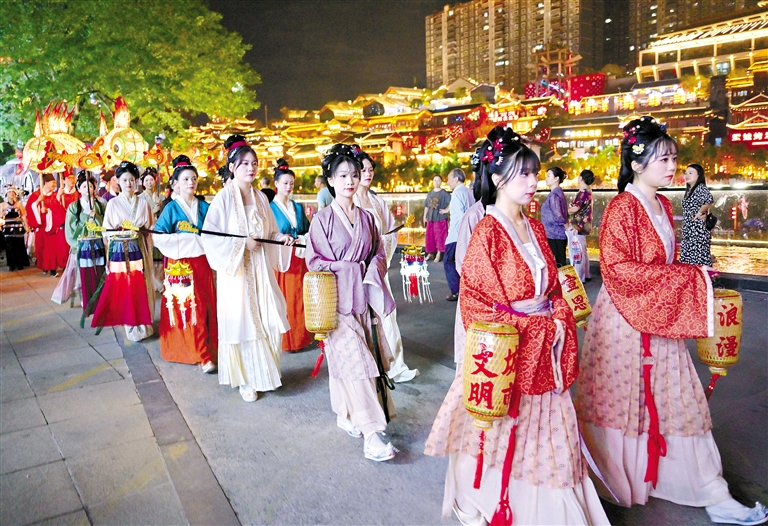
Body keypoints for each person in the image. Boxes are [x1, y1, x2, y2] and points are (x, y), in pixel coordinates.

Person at [574, 116, 768, 526]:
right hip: (624, 320)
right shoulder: (623, 208)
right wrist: (686, 278)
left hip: (657, 312)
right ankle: (619, 476)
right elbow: (617, 269)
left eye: (674, 158)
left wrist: (689, 275)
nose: (672, 166)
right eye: (663, 159)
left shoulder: (662, 204)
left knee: (679, 398)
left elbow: (663, 264)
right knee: (623, 397)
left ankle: (709, 490)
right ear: (637, 163)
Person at [425, 126, 609, 526]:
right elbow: (478, 305)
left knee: (543, 433)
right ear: (496, 178)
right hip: (509, 352)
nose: (532, 182)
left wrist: (557, 315)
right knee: (500, 429)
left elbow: (554, 288)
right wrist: (540, 327)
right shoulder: (487, 233)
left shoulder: (536, 227)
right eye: (522, 174)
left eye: (534, 173)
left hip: (546, 345)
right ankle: (489, 498)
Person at [306, 143, 398, 462]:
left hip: (363, 299)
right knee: (356, 363)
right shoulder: (321, 220)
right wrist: (345, 268)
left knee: (350, 361)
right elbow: (314, 261)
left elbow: (378, 253)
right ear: (331, 180)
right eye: (342, 175)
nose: (350, 181)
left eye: (354, 175)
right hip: (336, 301)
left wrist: (370, 270)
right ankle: (372, 435)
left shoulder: (368, 218)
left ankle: (345, 413)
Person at [201, 135, 294, 403]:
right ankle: (245, 379)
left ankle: (265, 375)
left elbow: (271, 231)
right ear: (232, 167)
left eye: (254, 163)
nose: (251, 168)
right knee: (242, 323)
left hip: (261, 271)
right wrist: (242, 244)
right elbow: (210, 237)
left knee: (267, 318)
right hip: (237, 275)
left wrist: (280, 238)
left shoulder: (261, 198)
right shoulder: (223, 198)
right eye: (244, 163)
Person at [353, 148, 419, 383]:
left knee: (387, 315)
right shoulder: (349, 201)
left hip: (377, 267)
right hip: (357, 270)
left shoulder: (376, 200)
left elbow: (390, 233)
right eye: (362, 170)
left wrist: (383, 248)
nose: (367, 174)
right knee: (361, 318)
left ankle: (395, 366)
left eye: (370, 169)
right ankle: (368, 366)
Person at [153, 155, 218, 373]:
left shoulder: (205, 207)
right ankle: (199, 353)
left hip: (202, 263)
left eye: (194, 178)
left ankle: (205, 349)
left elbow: (215, 231)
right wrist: (186, 239)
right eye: (186, 179)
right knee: (187, 306)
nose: (191, 182)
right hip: (179, 263)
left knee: (204, 305)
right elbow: (158, 236)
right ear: (175, 184)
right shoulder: (171, 208)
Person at [91, 161, 155, 342]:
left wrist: (143, 232)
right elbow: (106, 231)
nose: (129, 183)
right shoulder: (113, 204)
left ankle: (145, 323)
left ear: (136, 181)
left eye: (132, 179)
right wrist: (118, 234)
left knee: (142, 284)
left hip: (140, 247)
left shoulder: (143, 203)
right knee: (128, 287)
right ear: (118, 181)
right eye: (125, 180)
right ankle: (132, 326)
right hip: (121, 250)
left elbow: (151, 227)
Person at [269, 159, 313, 352]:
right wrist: (281, 237)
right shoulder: (270, 208)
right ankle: (287, 340)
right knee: (285, 298)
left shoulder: (298, 207)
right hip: (282, 259)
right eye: (285, 183)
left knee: (301, 297)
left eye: (291, 183)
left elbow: (307, 230)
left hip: (299, 256)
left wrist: (301, 238)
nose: (288, 187)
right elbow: (268, 233)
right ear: (276, 184)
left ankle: (301, 337)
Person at [52, 172, 105, 305]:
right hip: (81, 245)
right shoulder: (74, 207)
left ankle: (99, 299)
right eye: (84, 187)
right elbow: (71, 229)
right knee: (82, 276)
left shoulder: (100, 204)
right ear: (79, 189)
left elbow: (105, 224)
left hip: (98, 244)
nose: (88, 189)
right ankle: (84, 298)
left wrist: (96, 217)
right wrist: (87, 219)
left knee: (99, 272)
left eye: (90, 186)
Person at [25, 173, 67, 276]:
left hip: (52, 227)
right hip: (41, 226)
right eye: (52, 182)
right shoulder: (36, 195)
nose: (54, 184)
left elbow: (58, 209)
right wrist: (37, 203)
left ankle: (53, 269)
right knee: (42, 248)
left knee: (52, 249)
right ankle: (44, 266)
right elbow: (29, 208)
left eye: (54, 182)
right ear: (46, 182)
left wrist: (48, 210)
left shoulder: (55, 195)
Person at [443, 167, 475, 302]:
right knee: (464, 262)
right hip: (469, 232)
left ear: (456, 179)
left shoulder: (456, 193)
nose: (447, 182)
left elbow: (461, 215)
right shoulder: (469, 192)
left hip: (457, 234)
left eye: (449, 179)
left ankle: (457, 291)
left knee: (448, 260)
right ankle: (468, 289)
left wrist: (461, 232)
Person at [680, 163, 714, 266]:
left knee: (696, 257)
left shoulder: (700, 188)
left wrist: (699, 213)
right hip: (690, 228)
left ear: (699, 175)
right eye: (686, 173)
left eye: (691, 173)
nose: (687, 175)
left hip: (697, 229)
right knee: (691, 256)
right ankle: (694, 274)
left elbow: (709, 200)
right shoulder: (691, 189)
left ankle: (699, 275)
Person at [567, 169, 594, 282]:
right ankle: (586, 274)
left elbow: (575, 208)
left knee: (577, 251)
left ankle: (579, 277)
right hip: (584, 225)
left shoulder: (583, 193)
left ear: (581, 178)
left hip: (578, 226)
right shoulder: (588, 191)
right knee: (583, 250)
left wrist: (564, 211)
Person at [542, 166, 569, 267]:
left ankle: (562, 278)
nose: (546, 178)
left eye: (549, 176)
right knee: (560, 261)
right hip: (557, 234)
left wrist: (566, 225)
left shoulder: (554, 195)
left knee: (558, 263)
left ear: (556, 178)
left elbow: (558, 215)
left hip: (554, 234)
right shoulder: (558, 193)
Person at [1, 187, 30, 271]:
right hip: (8, 227)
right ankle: (11, 264)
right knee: (9, 246)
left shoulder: (19, 204)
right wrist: (3, 214)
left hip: (18, 226)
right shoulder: (3, 205)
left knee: (19, 245)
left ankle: (19, 263)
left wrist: (26, 226)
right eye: (9, 192)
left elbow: (23, 215)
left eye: (12, 192)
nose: (11, 194)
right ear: (6, 194)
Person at [423, 175, 451, 261]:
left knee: (440, 236)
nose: (436, 182)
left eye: (438, 180)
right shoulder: (430, 193)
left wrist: (446, 210)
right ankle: (430, 253)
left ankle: (439, 253)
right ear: (432, 182)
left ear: (441, 182)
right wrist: (424, 216)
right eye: (435, 180)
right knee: (429, 236)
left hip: (440, 218)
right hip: (430, 217)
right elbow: (426, 205)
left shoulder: (444, 193)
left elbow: (452, 201)